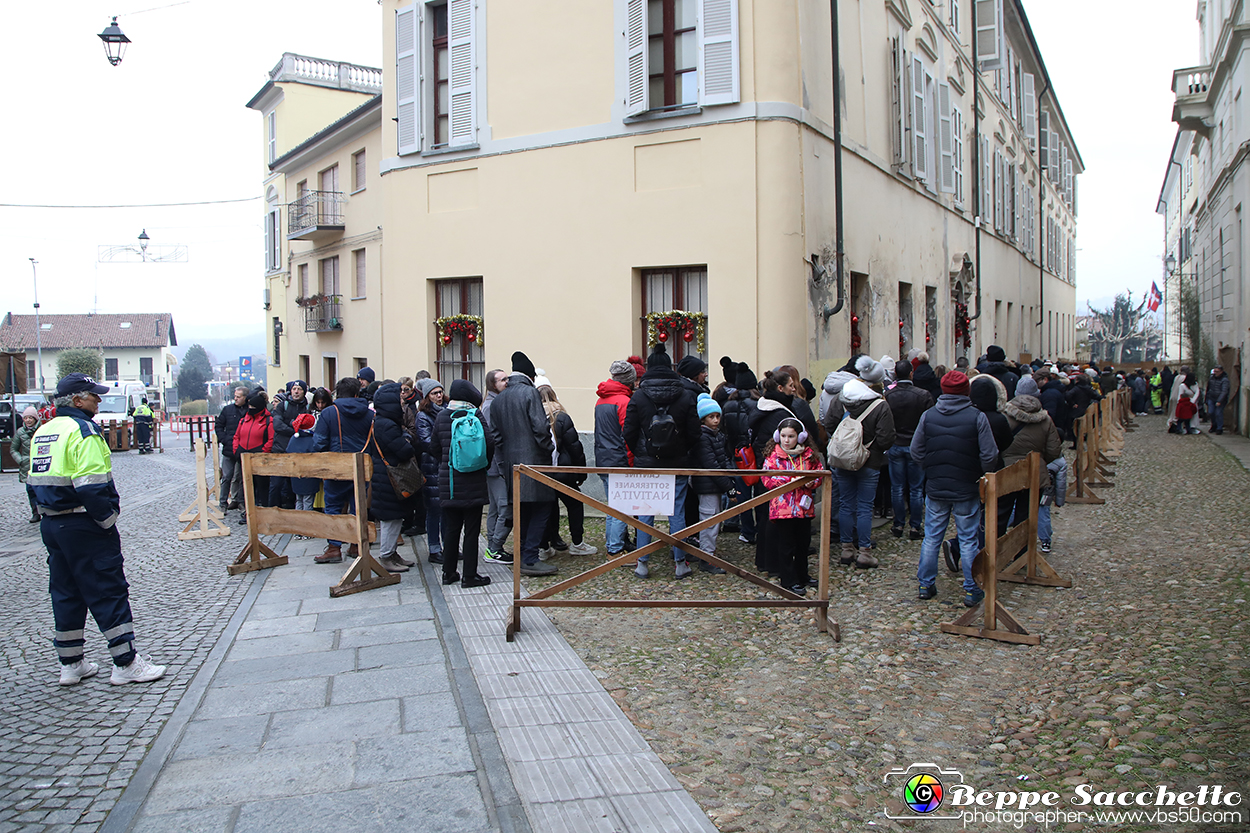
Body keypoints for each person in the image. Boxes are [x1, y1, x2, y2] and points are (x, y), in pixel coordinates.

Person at [28, 373, 166, 686]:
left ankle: (71, 663)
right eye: (93, 395)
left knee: (65, 592)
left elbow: (33, 481)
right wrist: (107, 519)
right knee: (107, 588)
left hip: (53, 523)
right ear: (77, 400)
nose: (98, 400)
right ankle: (126, 663)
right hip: (83, 523)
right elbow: (92, 486)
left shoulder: (45, 430)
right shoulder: (84, 430)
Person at [910, 371, 1000, 606]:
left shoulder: (928, 416)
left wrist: (931, 468)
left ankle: (925, 584)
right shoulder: (977, 417)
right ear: (966, 391)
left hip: (937, 486)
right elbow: (990, 454)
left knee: (931, 537)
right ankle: (972, 589)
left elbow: (916, 450)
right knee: (969, 539)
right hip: (966, 486)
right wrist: (979, 473)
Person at [622, 343, 702, 579]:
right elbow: (695, 432)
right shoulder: (686, 395)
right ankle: (680, 563)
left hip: (646, 464)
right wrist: (681, 451)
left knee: (645, 512)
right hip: (676, 464)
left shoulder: (639, 396)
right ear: (670, 368)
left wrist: (641, 452)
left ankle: (642, 563)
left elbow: (628, 431)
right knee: (676, 512)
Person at [488, 352, 559, 576]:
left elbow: (496, 436)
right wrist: (548, 449)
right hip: (535, 463)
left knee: (521, 512)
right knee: (541, 509)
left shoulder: (499, 399)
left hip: (511, 465)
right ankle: (529, 558)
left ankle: (521, 555)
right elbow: (540, 428)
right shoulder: (530, 393)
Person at [824, 379, 896, 568]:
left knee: (846, 504)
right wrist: (869, 450)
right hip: (870, 462)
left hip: (842, 461)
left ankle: (847, 549)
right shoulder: (880, 406)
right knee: (865, 507)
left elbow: (829, 424)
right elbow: (886, 438)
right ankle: (864, 552)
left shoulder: (839, 402)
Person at [430, 379, 495, 587]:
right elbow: (490, 442)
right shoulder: (475, 415)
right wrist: (482, 465)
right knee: (472, 530)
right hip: (473, 480)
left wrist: (445, 462)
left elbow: (433, 446)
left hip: (448, 481)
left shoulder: (441, 416)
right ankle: (469, 575)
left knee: (451, 528)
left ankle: (448, 573)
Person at [312, 377, 374, 563]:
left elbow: (319, 443)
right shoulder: (370, 414)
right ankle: (356, 544)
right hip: (362, 467)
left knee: (333, 508)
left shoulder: (330, 413)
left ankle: (334, 547)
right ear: (357, 393)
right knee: (358, 508)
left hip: (336, 467)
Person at [760, 418, 822, 594]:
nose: (787, 440)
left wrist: (812, 482)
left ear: (800, 437)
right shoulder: (773, 456)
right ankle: (788, 579)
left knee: (803, 544)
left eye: (791, 436)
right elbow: (767, 479)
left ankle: (803, 575)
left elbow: (819, 472)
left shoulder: (809, 455)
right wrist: (790, 481)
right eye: (784, 436)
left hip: (803, 507)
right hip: (783, 508)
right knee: (786, 546)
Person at [363, 382, 419, 573]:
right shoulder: (386, 425)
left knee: (395, 518)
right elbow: (404, 450)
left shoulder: (383, 421)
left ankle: (392, 553)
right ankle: (386, 556)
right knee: (390, 519)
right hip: (389, 478)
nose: (402, 402)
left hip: (386, 478)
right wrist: (408, 440)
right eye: (399, 399)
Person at [536, 384, 597, 558]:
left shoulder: (534, 417)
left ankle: (544, 546)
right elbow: (575, 448)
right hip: (563, 472)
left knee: (547, 508)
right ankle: (577, 543)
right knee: (575, 505)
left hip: (542, 472)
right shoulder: (561, 417)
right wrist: (581, 473)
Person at [998, 394, 1063, 545]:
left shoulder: (1004, 418)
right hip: (1034, 472)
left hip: (1007, 471)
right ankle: (1021, 554)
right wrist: (1039, 460)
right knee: (1026, 515)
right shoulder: (1046, 420)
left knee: (1001, 514)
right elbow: (1054, 450)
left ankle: (997, 552)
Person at [884, 360, 933, 540]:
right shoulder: (923, 395)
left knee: (897, 487)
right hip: (915, 445)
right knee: (916, 488)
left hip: (896, 444)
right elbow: (929, 422)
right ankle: (915, 526)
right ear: (911, 374)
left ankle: (898, 524)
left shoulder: (889, 395)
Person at [594, 360, 637, 558]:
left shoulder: (601, 400)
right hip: (619, 460)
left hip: (604, 458)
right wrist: (631, 462)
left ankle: (613, 544)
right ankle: (615, 549)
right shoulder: (624, 402)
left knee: (613, 506)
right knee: (620, 508)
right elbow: (627, 437)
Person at [690, 394, 730, 575]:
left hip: (714, 483)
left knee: (712, 520)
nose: (715, 420)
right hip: (707, 483)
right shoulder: (703, 437)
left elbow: (722, 459)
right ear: (703, 419)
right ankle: (706, 557)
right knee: (709, 519)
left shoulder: (716, 435)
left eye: (717, 416)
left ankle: (708, 553)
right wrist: (729, 485)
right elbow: (711, 464)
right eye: (711, 417)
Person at [721, 363, 761, 544]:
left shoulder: (728, 405)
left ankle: (747, 531)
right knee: (761, 495)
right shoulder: (759, 404)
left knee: (742, 495)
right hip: (757, 455)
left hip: (736, 455)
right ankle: (762, 528)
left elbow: (723, 431)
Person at [480, 369, 513, 563]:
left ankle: (493, 546)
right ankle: (494, 548)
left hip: (495, 464)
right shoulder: (491, 406)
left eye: (507, 378)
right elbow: (493, 438)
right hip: (496, 465)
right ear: (493, 385)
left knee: (495, 507)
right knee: (504, 507)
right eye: (502, 380)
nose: (506, 382)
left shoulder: (494, 403)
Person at [414, 378, 447, 563]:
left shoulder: (448, 410)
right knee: (434, 511)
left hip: (444, 465)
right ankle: (434, 548)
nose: (439, 396)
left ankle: (447, 545)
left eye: (440, 392)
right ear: (427, 396)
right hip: (431, 465)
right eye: (434, 393)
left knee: (446, 511)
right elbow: (425, 441)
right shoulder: (423, 416)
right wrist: (445, 445)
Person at [233, 390, 274, 526]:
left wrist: (262, 451)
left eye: (252, 408)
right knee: (246, 486)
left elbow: (271, 439)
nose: (250, 410)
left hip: (260, 458)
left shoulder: (268, 420)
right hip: (244, 457)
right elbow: (237, 436)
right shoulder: (243, 420)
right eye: (249, 407)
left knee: (262, 487)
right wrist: (236, 450)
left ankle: (265, 513)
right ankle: (248, 512)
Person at [269, 380, 309, 509]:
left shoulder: (307, 407)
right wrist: (295, 430)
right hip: (280, 449)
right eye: (294, 389)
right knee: (276, 484)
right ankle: (273, 510)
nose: (296, 391)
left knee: (294, 485)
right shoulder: (282, 406)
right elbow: (277, 425)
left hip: (298, 451)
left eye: (299, 389)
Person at [214, 386, 249, 512]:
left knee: (240, 477)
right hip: (229, 448)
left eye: (238, 397)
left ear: (245, 397)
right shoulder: (228, 410)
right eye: (235, 396)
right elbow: (219, 425)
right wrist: (224, 439)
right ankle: (223, 502)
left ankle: (240, 501)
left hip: (243, 448)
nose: (236, 399)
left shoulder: (249, 411)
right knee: (227, 476)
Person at [285, 413, 319, 514]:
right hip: (309, 475)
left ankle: (297, 520)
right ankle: (306, 522)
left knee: (298, 499)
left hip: (295, 474)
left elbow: (288, 451)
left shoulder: (294, 438)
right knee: (308, 500)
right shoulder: (312, 439)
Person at [12, 407, 41, 522]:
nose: (28, 420)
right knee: (30, 491)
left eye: (30, 418)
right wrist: (21, 460)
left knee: (41, 489)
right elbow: (13, 449)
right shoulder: (20, 432)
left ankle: (44, 511)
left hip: (40, 463)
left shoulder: (42, 429)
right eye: (25, 418)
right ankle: (35, 513)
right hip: (27, 465)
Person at [1207, 366, 1230, 435]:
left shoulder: (1224, 380)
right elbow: (1208, 388)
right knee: (1211, 412)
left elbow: (1224, 391)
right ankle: (1214, 425)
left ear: (1221, 372)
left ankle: (1219, 428)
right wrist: (1207, 398)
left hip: (1220, 399)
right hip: (1211, 397)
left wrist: (1220, 400)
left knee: (1218, 413)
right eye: (1215, 371)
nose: (1215, 373)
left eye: (1217, 371)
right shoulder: (1211, 378)